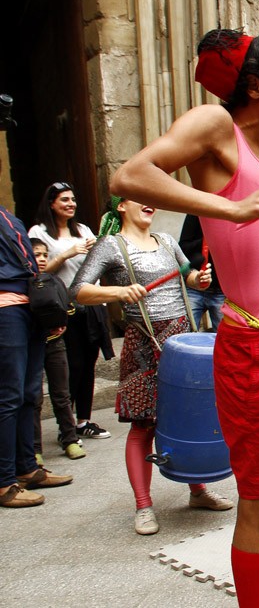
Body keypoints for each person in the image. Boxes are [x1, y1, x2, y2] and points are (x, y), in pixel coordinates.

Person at [109, 29, 259, 607]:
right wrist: (230, 206)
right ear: (254, 88)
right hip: (255, 348)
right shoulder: (216, 125)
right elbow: (129, 176)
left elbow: (256, 236)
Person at [71, 196, 233, 534]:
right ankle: (143, 506)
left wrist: (199, 281)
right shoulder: (110, 246)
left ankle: (198, 490)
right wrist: (118, 292)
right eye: (139, 198)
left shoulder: (167, 241)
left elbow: (188, 278)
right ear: (121, 206)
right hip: (143, 343)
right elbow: (79, 291)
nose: (149, 203)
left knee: (190, 419)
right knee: (143, 426)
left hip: (180, 343)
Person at [0, 204, 74, 508]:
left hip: (29, 306)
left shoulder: (8, 216)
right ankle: (4, 482)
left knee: (30, 394)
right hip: (5, 309)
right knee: (9, 396)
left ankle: (28, 468)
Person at [29, 182, 115, 440]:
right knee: (71, 366)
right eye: (64, 199)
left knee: (89, 364)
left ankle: (84, 420)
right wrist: (67, 254)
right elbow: (37, 271)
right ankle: (65, 424)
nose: (71, 204)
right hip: (62, 307)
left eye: (73, 199)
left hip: (90, 304)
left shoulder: (83, 229)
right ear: (51, 203)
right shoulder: (39, 232)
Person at [30, 239, 85, 461]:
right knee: (33, 398)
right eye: (36, 255)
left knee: (61, 393)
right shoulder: (21, 283)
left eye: (45, 254)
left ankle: (70, 439)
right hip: (31, 345)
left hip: (55, 342)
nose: (42, 259)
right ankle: (34, 450)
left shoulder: (54, 281)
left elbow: (67, 308)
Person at [178, 214, 224, 331]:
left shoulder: (232, 212)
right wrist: (207, 239)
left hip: (222, 291)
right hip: (194, 287)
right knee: (186, 335)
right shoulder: (195, 213)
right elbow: (183, 248)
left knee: (221, 339)